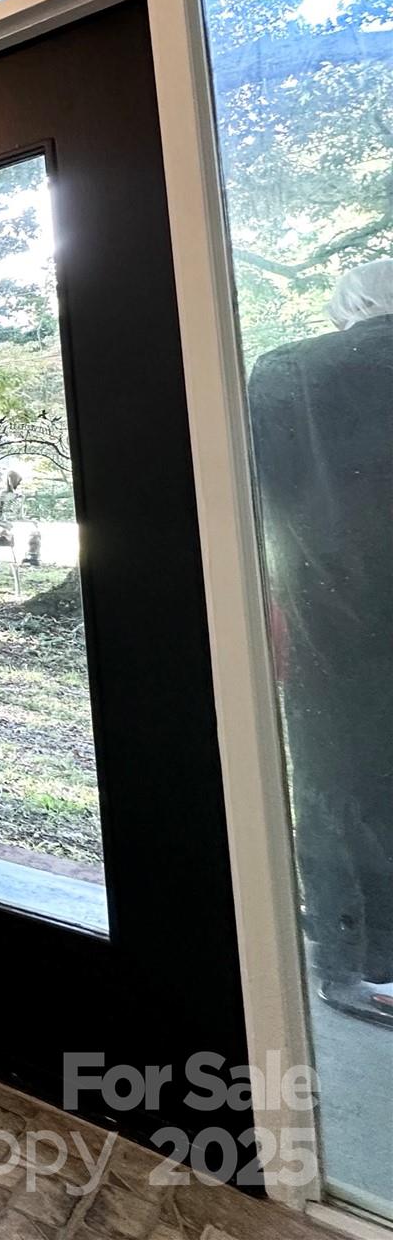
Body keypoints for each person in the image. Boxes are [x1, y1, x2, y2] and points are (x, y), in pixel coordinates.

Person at [247, 257, 393, 1025]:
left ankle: (349, 963)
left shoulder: (287, 374)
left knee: (334, 784)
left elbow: (237, 493)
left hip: (327, 613)